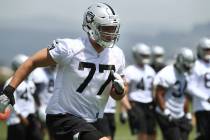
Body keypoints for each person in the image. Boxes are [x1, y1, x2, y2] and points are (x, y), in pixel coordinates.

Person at [0, 2, 127, 140]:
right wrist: (9, 90)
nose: (111, 33)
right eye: (106, 28)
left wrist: (120, 90)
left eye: (113, 28)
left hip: (92, 119)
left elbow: (117, 96)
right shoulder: (70, 48)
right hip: (63, 117)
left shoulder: (117, 55)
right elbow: (32, 61)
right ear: (91, 26)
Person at [154, 48, 195, 140]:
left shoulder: (185, 75)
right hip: (166, 113)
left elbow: (183, 96)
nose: (188, 67)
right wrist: (166, 112)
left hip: (179, 114)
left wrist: (187, 113)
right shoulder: (168, 73)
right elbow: (159, 94)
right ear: (180, 61)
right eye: (186, 65)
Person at [5, 54, 42, 140]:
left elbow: (32, 100)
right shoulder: (10, 82)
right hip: (17, 120)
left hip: (30, 117)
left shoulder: (29, 81)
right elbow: (9, 101)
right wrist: (20, 116)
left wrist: (36, 117)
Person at [124, 43, 157, 140]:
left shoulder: (151, 70)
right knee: (142, 132)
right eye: (143, 55)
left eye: (147, 55)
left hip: (149, 103)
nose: (145, 58)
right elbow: (124, 92)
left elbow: (153, 89)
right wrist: (125, 110)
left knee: (152, 132)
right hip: (136, 103)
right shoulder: (129, 70)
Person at [187, 37, 210, 140]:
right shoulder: (195, 66)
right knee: (203, 136)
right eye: (206, 50)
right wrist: (206, 97)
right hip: (201, 107)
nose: (208, 52)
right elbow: (190, 87)